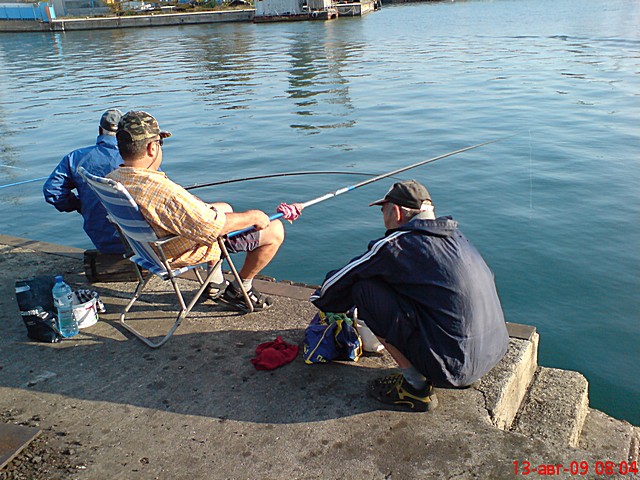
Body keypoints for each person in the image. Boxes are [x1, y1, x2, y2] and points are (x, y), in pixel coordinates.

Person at [310, 180, 509, 412]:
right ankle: (456, 367)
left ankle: (415, 388)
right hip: (492, 354)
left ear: (396, 212)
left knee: (363, 289)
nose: (382, 217)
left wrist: (322, 301)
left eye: (383, 210)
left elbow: (332, 288)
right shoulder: (459, 239)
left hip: (452, 369)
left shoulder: (396, 244)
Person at [108, 110, 286, 311]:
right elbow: (212, 227)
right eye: (160, 142)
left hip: (146, 250)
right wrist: (254, 216)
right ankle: (240, 289)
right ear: (152, 147)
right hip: (174, 252)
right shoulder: (161, 190)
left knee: (224, 208)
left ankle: (214, 282)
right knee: (274, 230)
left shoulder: (114, 179)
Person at [43, 109, 126, 254]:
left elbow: (53, 190)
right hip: (139, 240)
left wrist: (79, 204)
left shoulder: (75, 157)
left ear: (100, 130)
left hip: (102, 238)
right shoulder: (138, 158)